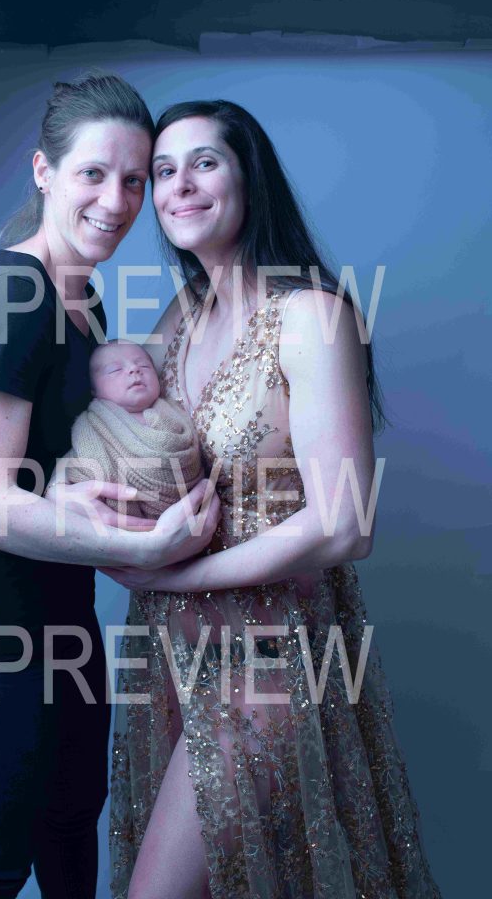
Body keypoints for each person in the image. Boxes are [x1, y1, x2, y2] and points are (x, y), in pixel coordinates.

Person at [104, 100, 443, 899]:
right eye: (162, 171)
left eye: (203, 163)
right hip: (169, 655)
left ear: (249, 177)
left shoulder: (311, 317)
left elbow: (344, 525)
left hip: (265, 660)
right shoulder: (178, 320)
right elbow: (134, 457)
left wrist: (171, 573)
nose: (179, 186)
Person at [0, 73, 220, 899]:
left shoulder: (81, 300)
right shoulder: (9, 301)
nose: (116, 202)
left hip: (57, 621)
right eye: (93, 173)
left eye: (134, 179)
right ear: (43, 171)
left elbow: (45, 461)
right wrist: (142, 547)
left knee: (73, 832)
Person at [53, 339, 204, 518]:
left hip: (189, 511)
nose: (134, 369)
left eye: (144, 366)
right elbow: (78, 466)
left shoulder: (175, 415)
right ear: (94, 390)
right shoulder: (93, 428)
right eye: (115, 370)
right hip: (117, 521)